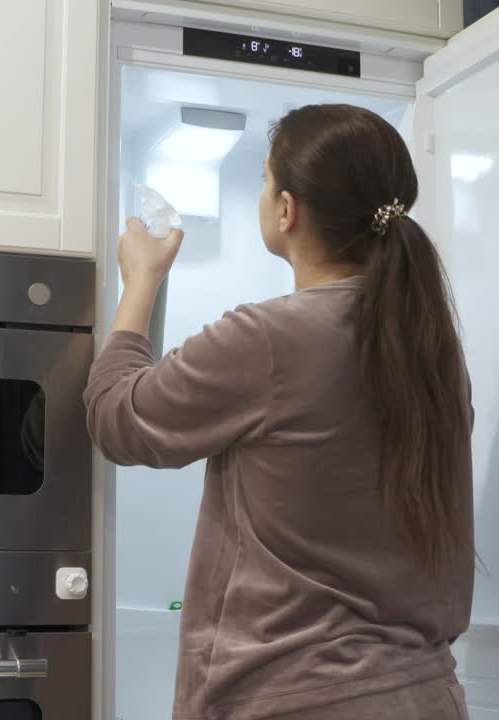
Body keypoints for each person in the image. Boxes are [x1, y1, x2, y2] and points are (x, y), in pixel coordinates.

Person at [85, 103, 475, 720]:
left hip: (296, 699)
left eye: (265, 182)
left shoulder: (270, 339)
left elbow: (116, 418)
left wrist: (141, 280)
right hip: (427, 696)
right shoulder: (432, 349)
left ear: (287, 210)